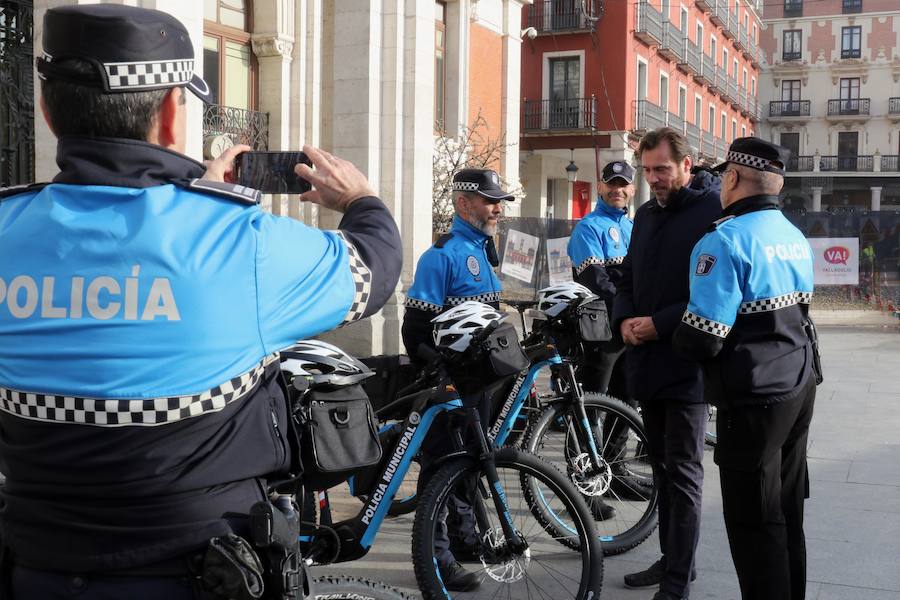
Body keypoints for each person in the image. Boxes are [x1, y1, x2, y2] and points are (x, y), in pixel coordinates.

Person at [0, 5, 401, 599]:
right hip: (201, 570)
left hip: (36, 568)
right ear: (168, 113)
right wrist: (361, 198)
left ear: (48, 111)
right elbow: (375, 268)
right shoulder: (240, 242)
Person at [672, 138, 818, 600]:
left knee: (755, 524)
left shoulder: (724, 240)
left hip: (754, 397)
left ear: (732, 178)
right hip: (800, 384)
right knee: (786, 510)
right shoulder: (792, 235)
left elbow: (703, 336)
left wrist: (660, 336)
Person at [611, 127, 722, 600]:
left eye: (662, 169)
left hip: (687, 365)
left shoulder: (712, 213)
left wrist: (658, 323)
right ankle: (674, 560)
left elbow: (712, 292)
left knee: (683, 472)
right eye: (647, 169)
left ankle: (677, 583)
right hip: (646, 362)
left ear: (686, 166)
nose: (653, 178)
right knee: (661, 470)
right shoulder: (643, 215)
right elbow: (628, 276)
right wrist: (623, 321)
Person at [401, 168, 513, 591]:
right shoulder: (442, 255)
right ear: (463, 203)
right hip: (450, 386)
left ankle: (466, 540)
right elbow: (414, 331)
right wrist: (443, 373)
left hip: (479, 382)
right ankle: (437, 554)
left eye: (499, 200)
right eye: (489, 200)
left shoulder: (483, 250)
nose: (497, 208)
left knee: (470, 465)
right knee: (441, 468)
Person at [566, 160, 640, 515]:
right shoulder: (588, 228)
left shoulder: (633, 226)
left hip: (627, 331)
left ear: (632, 189)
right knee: (590, 407)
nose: (617, 189)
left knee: (625, 402)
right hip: (598, 332)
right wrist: (630, 310)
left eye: (623, 184)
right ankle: (583, 490)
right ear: (600, 187)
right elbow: (597, 281)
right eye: (611, 183)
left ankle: (616, 470)